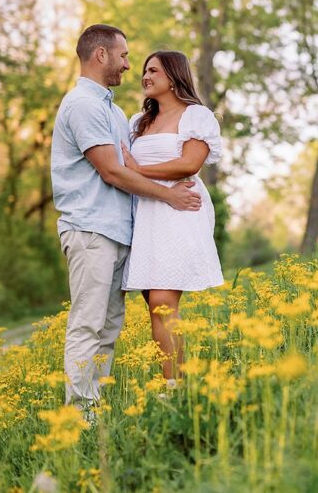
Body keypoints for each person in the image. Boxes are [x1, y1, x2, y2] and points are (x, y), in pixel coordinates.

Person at [50, 25, 201, 416]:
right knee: (88, 323)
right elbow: (113, 172)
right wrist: (170, 196)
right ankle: (80, 413)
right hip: (90, 229)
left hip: (118, 233)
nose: (128, 65)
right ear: (101, 55)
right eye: (124, 56)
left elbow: (137, 165)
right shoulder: (82, 105)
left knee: (109, 327)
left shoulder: (114, 111)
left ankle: (95, 406)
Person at [120, 50, 225, 382]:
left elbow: (190, 163)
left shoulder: (196, 116)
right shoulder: (138, 123)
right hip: (146, 213)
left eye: (153, 70)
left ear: (173, 75)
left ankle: (175, 386)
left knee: (164, 301)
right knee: (153, 303)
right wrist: (136, 174)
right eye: (144, 71)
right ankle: (170, 383)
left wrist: (140, 170)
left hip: (180, 209)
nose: (145, 76)